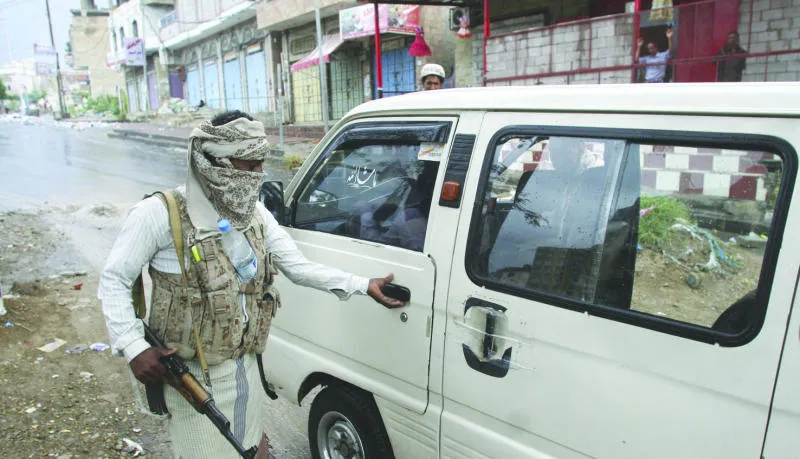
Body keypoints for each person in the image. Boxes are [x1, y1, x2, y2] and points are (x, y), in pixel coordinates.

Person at [98, 110, 404, 458]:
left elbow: (298, 267)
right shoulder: (159, 214)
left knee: (250, 447)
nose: (259, 175)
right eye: (250, 165)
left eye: (262, 164)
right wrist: (133, 347)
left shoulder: (255, 214)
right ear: (216, 163)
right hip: (192, 376)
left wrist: (362, 284)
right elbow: (115, 279)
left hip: (245, 367)